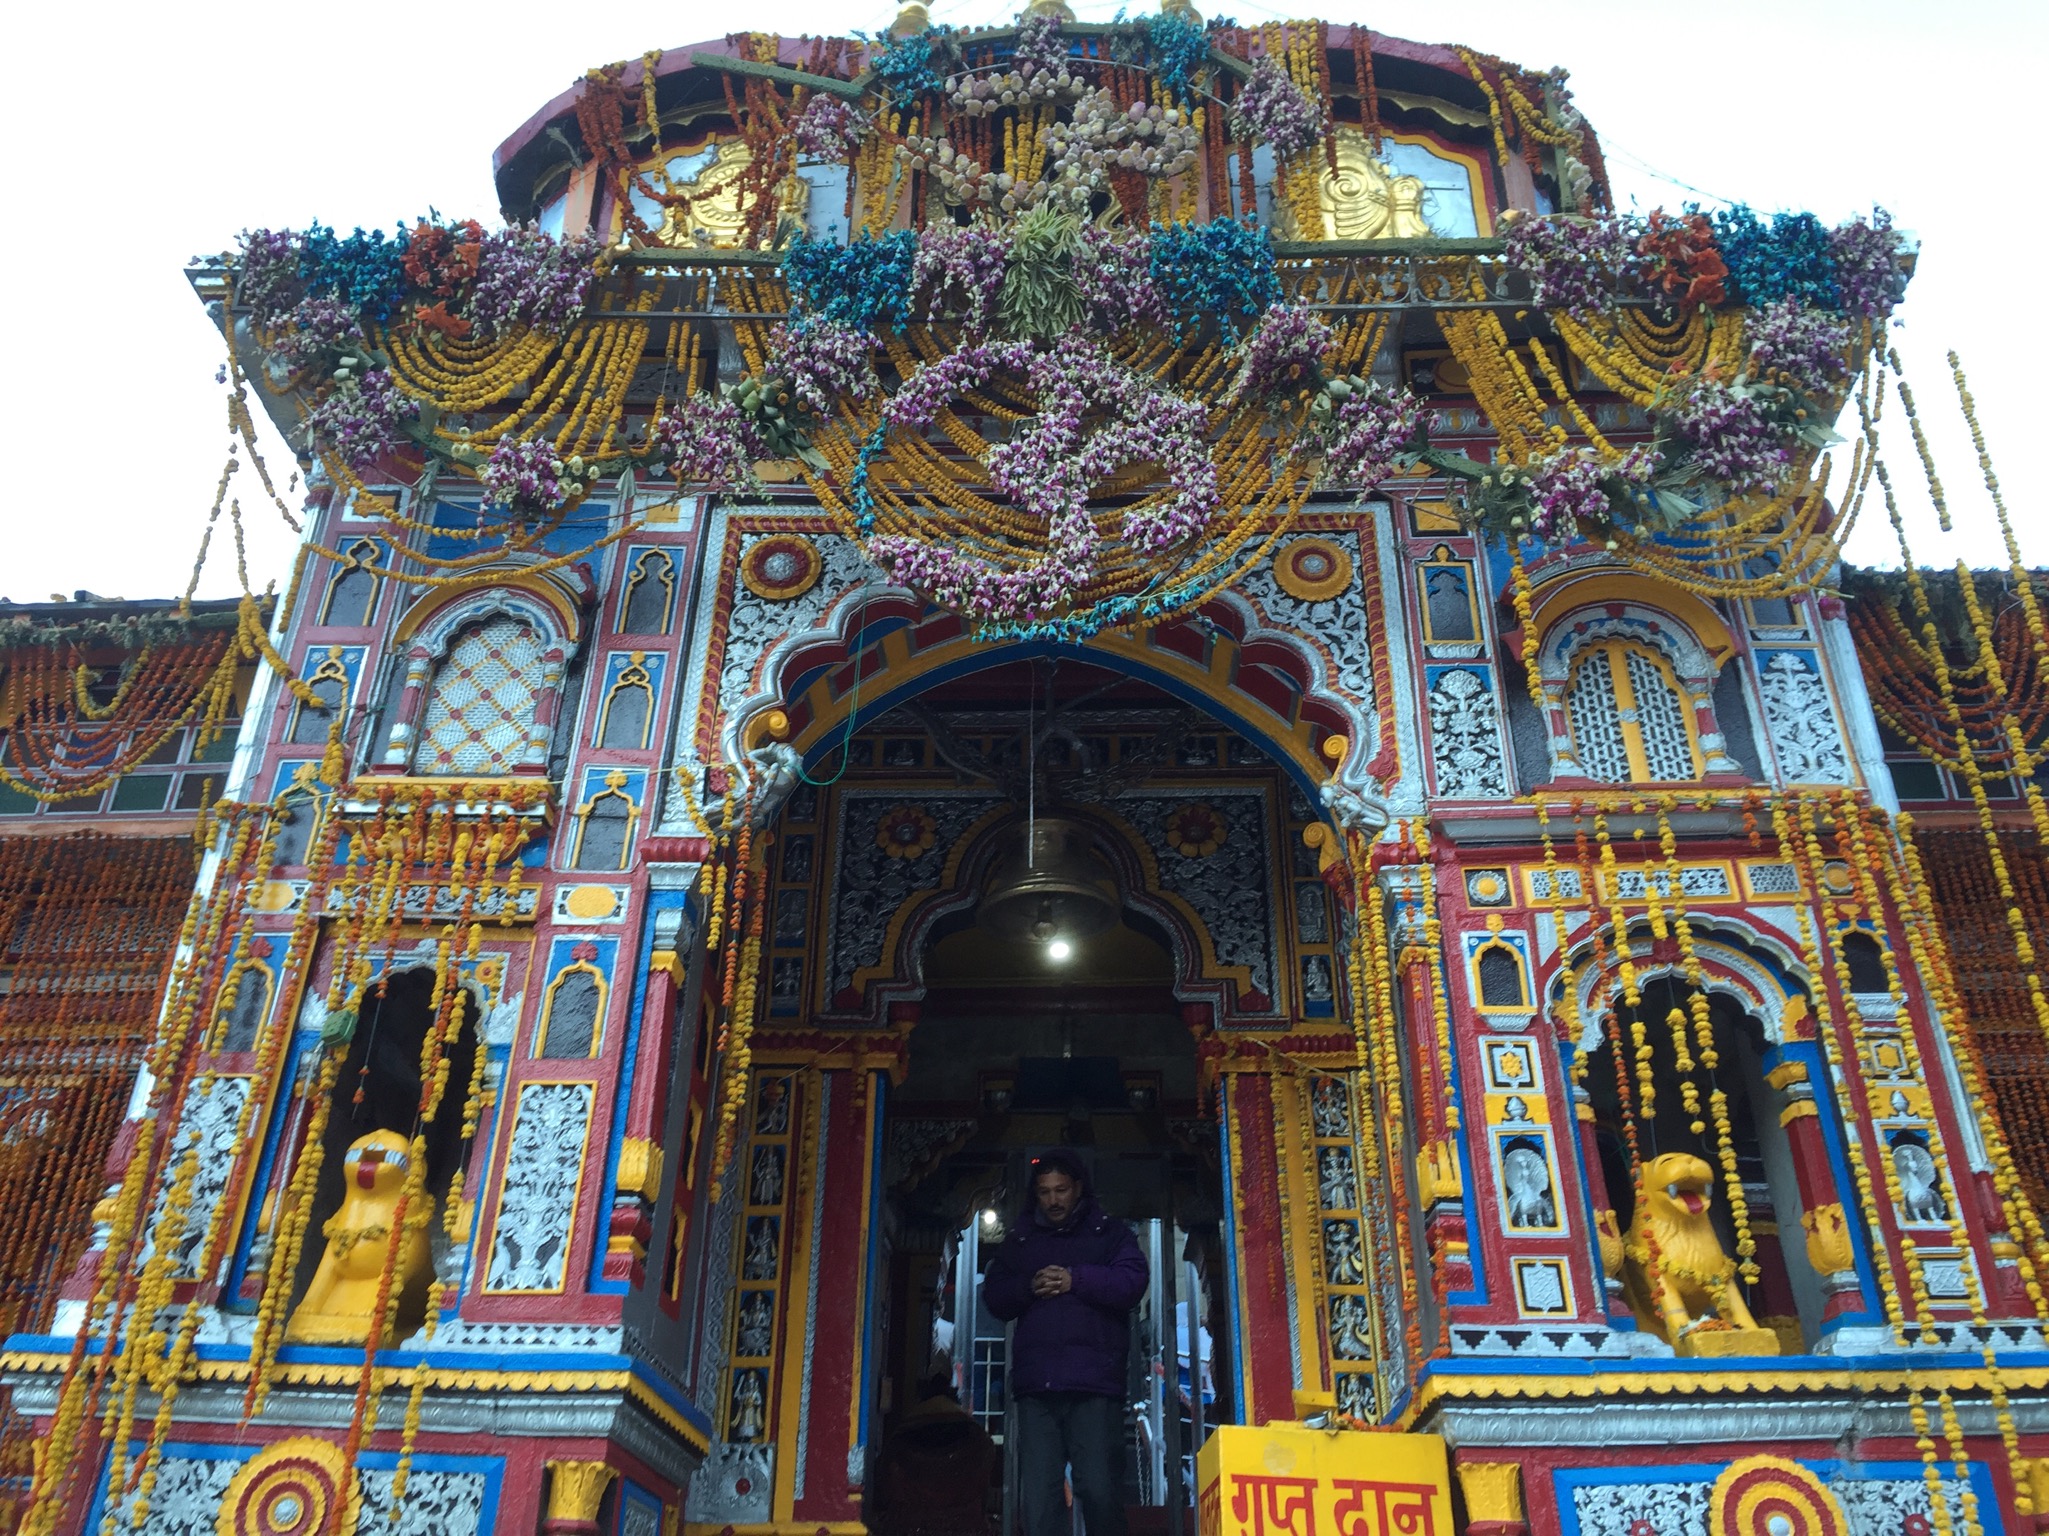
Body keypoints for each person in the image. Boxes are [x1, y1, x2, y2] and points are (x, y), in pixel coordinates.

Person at [982, 1150, 1149, 1536]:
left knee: (1100, 1491)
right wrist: (1028, 1287)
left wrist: (1078, 1280)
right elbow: (994, 1295)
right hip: (1037, 1388)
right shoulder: (1022, 1239)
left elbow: (1132, 1282)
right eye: (1044, 1192)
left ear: (1078, 1188)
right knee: (1039, 1502)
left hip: (1094, 1386)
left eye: (1061, 1190)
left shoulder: (1109, 1234)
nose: (1053, 1200)